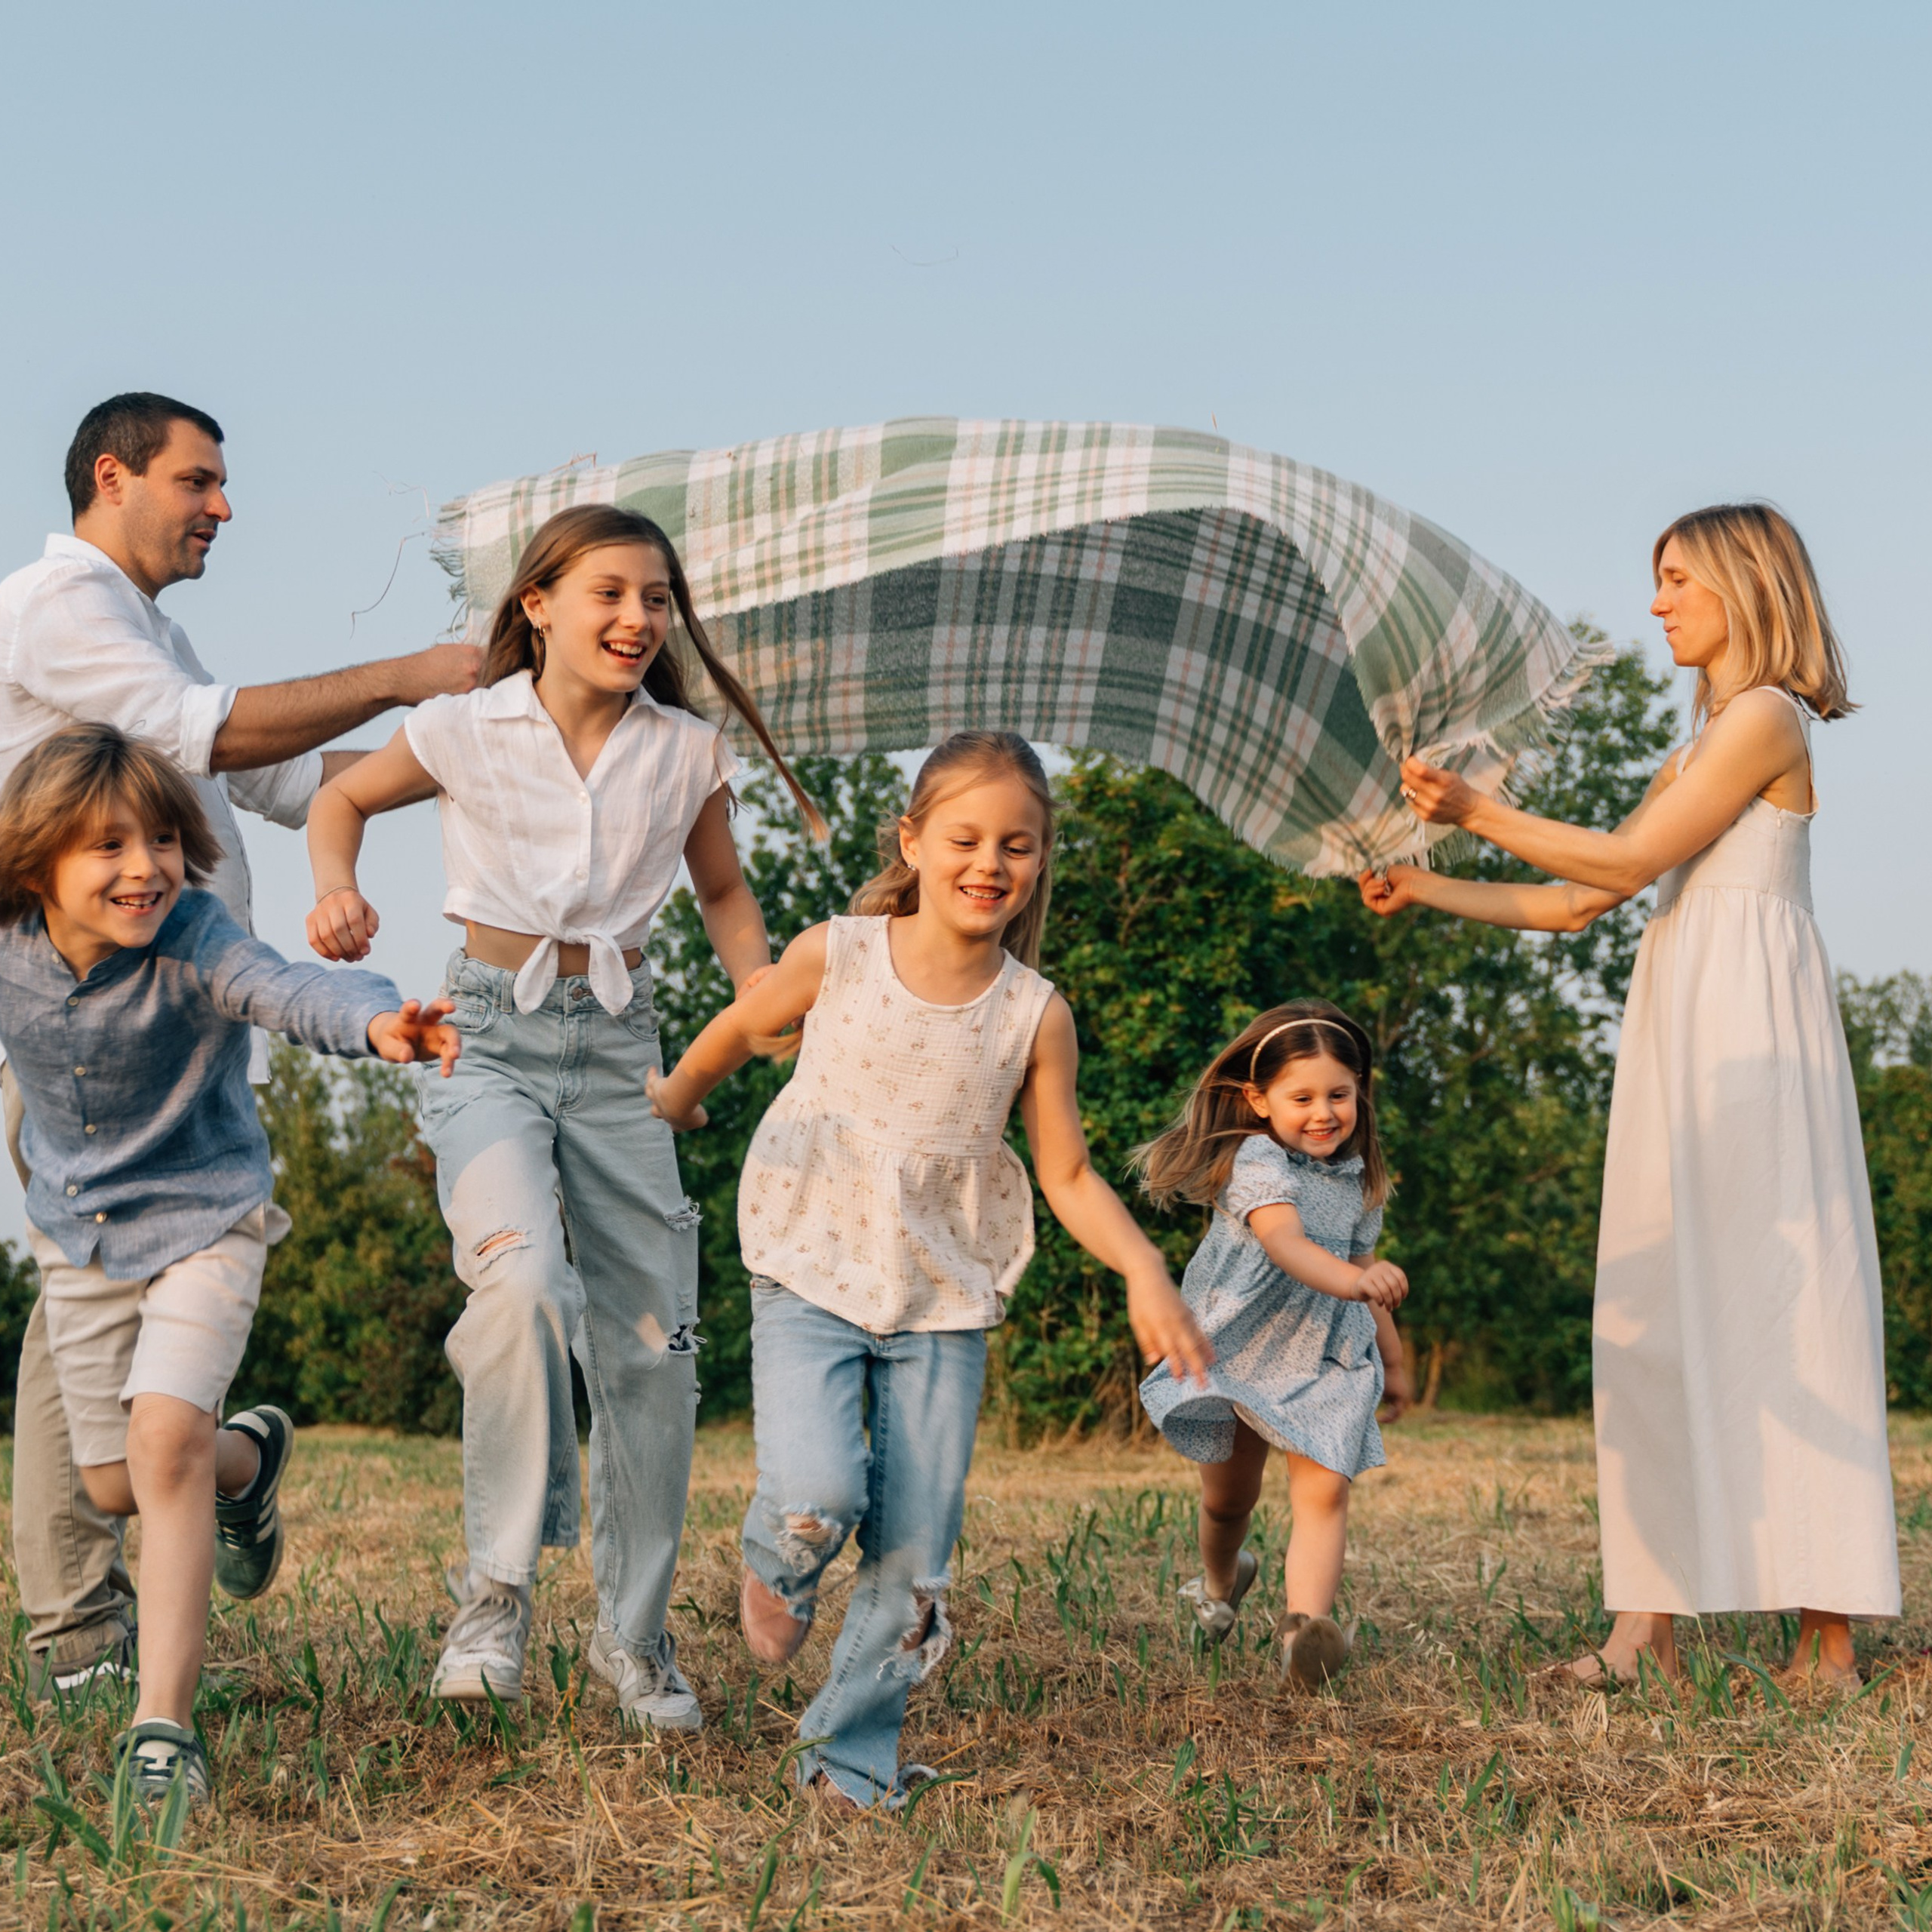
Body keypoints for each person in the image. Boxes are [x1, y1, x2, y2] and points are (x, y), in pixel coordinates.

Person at [1360, 502, 1900, 1686]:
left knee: (1781, 1303)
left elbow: (1623, 863)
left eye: (1673, 580)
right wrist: (1427, 882)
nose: (1656, 603)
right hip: (1680, 1032)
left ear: (1745, 585)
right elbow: (1575, 904)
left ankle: (1827, 1632)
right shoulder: (1696, 746)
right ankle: (1643, 1628)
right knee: (1649, 1297)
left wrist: (1477, 812)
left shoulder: (1765, 718)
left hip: (1755, 1041)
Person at [304, 503, 819, 1730]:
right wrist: (334, 892)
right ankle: (493, 1593)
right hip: (487, 1041)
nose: (638, 619)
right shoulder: (465, 729)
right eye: (609, 594)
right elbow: (342, 805)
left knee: (651, 1348)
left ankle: (633, 1638)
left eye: (655, 599)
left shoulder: (684, 752)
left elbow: (724, 887)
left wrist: (760, 993)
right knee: (524, 1282)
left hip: (622, 1054)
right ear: (537, 604)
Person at [0, 391, 481, 1697]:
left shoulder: (148, 630)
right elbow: (218, 736)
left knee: (115, 1372)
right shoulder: (58, 610)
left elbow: (289, 782)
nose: (224, 507)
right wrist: (406, 671)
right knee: (78, 1324)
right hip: (68, 1033)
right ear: (114, 476)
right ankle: (82, 1633)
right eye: (199, 481)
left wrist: (489, 729)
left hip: (188, 1027)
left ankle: (115, 1608)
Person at [646, 731, 1213, 1807]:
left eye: (1018, 845)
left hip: (944, 1292)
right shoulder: (841, 953)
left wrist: (1147, 1270)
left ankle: (847, 1761)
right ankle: (779, 1557)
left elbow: (1072, 1173)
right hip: (811, 1258)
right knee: (818, 1488)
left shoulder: (1035, 1013)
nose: (989, 863)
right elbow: (740, 1024)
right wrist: (673, 1100)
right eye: (964, 838)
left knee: (916, 1549)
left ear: (1042, 860)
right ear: (913, 840)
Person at [0, 724, 455, 1804]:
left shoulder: (196, 935)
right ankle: (245, 1465)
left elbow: (284, 988)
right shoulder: (11, 946)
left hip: (210, 1217)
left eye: (162, 839)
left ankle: (163, 1734)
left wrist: (377, 1020)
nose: (145, 867)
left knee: (162, 1448)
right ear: (35, 864)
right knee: (116, 1482)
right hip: (84, 1236)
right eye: (107, 847)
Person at [1134, 1001, 1411, 1687]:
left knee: (1325, 1491)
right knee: (1230, 1501)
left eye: (1339, 1095)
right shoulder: (1256, 1161)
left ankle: (1302, 1633)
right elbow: (1286, 1243)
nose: (1324, 1113)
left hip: (1323, 1358)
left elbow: (1363, 1279)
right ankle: (1221, 1585)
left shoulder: (1359, 1180)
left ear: (1360, 1095)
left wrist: (1396, 1363)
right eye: (1303, 1097)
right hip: (1239, 1350)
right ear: (1259, 1101)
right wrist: (1356, 1279)